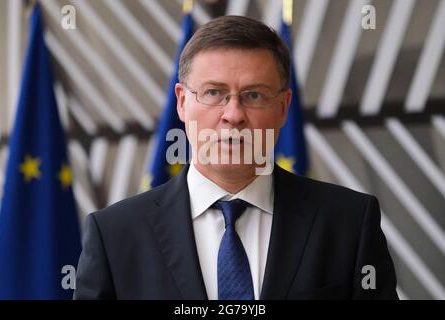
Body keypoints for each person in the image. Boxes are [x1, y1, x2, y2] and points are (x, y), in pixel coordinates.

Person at [74, 15, 398, 300]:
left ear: (284, 108)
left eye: (253, 95)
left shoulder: (349, 223)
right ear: (182, 102)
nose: (233, 114)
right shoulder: (114, 235)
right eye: (214, 92)